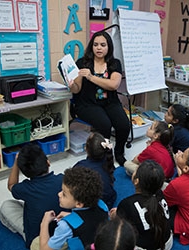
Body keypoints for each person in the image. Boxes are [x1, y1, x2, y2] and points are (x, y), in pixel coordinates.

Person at [69, 30, 130, 166]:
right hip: (87, 104)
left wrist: (91, 77)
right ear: (91, 46)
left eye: (103, 45)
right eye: (95, 45)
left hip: (110, 102)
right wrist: (72, 85)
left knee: (124, 125)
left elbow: (113, 85)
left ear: (109, 47)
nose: (99, 48)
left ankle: (119, 153)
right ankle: (105, 156)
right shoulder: (82, 62)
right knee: (104, 125)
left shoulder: (115, 63)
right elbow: (77, 89)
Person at [0, 143, 63, 248]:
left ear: (25, 172)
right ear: (48, 162)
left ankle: (22, 232)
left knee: (6, 206)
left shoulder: (25, 188)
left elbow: (11, 185)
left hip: (37, 239)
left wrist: (16, 163)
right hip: (62, 231)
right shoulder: (62, 179)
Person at [35, 166, 109, 250]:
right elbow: (89, 220)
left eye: (64, 194)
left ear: (79, 204)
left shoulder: (65, 226)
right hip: (99, 245)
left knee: (36, 243)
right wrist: (71, 217)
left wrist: (44, 222)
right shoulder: (103, 205)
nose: (59, 194)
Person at [110, 160, 173, 250]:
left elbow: (120, 225)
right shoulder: (160, 194)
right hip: (168, 242)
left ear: (136, 181)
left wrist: (115, 214)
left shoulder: (127, 203)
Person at [73, 132, 117, 209]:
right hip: (106, 202)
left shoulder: (80, 166)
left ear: (86, 149)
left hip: (87, 203)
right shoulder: (108, 162)